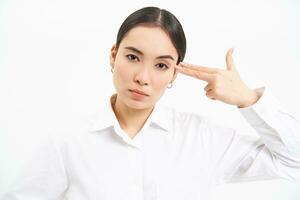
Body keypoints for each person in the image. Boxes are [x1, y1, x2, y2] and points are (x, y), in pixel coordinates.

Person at [2, 6, 300, 200]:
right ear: (113, 55)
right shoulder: (67, 142)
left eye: (161, 65)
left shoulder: (201, 138)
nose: (143, 77)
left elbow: (293, 162)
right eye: (133, 57)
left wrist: (248, 99)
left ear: (174, 72)